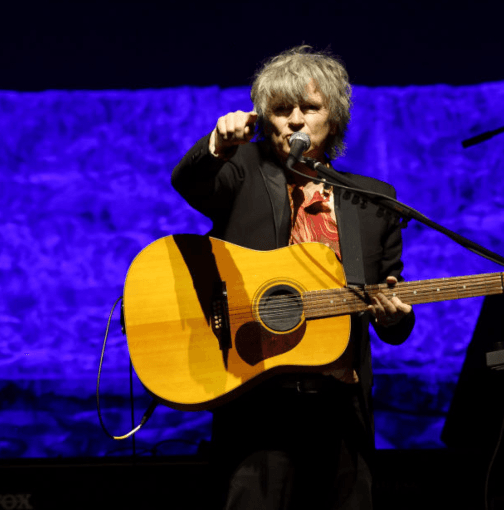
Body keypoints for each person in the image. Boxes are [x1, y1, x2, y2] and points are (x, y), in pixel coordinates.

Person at [171, 46, 415, 510]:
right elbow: (189, 181)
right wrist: (218, 144)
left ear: (334, 119)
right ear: (266, 120)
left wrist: (393, 316)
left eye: (310, 108)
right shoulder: (242, 171)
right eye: (282, 110)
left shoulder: (373, 201)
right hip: (256, 404)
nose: (296, 120)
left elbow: (394, 310)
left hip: (341, 409)